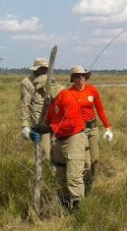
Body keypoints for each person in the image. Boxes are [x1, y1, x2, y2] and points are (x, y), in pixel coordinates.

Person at [31, 75, 88, 212]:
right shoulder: (52, 102)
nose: (40, 94)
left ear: (47, 88)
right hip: (60, 142)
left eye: (41, 91)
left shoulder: (66, 97)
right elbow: (47, 121)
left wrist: (49, 129)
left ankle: (78, 214)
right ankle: (65, 209)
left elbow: (71, 123)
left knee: (74, 179)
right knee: (60, 178)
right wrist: (37, 130)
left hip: (74, 140)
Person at [67, 65, 113, 189]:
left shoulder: (92, 90)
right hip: (79, 131)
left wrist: (108, 127)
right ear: (73, 78)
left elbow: (100, 109)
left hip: (93, 129)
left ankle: (90, 182)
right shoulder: (69, 93)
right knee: (86, 162)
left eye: (82, 75)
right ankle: (84, 187)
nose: (80, 78)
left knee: (94, 160)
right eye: (77, 76)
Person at [20, 57, 52, 162]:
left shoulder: (50, 80)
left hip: (54, 125)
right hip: (39, 126)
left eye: (45, 69)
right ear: (35, 69)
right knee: (44, 155)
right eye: (41, 69)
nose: (44, 71)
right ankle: (42, 177)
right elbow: (25, 105)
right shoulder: (27, 83)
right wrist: (25, 125)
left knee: (56, 155)